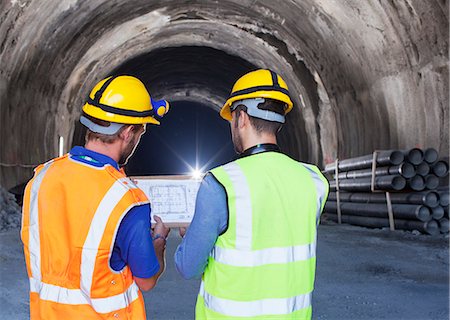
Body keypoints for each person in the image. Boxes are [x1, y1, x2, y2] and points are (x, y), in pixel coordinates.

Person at [175, 69, 329, 319]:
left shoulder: (220, 184)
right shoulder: (314, 181)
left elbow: (188, 267)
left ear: (242, 117)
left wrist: (189, 238)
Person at [21, 75, 171, 319]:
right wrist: (159, 240)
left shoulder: (41, 178)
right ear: (128, 132)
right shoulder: (127, 200)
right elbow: (146, 280)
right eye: (140, 132)